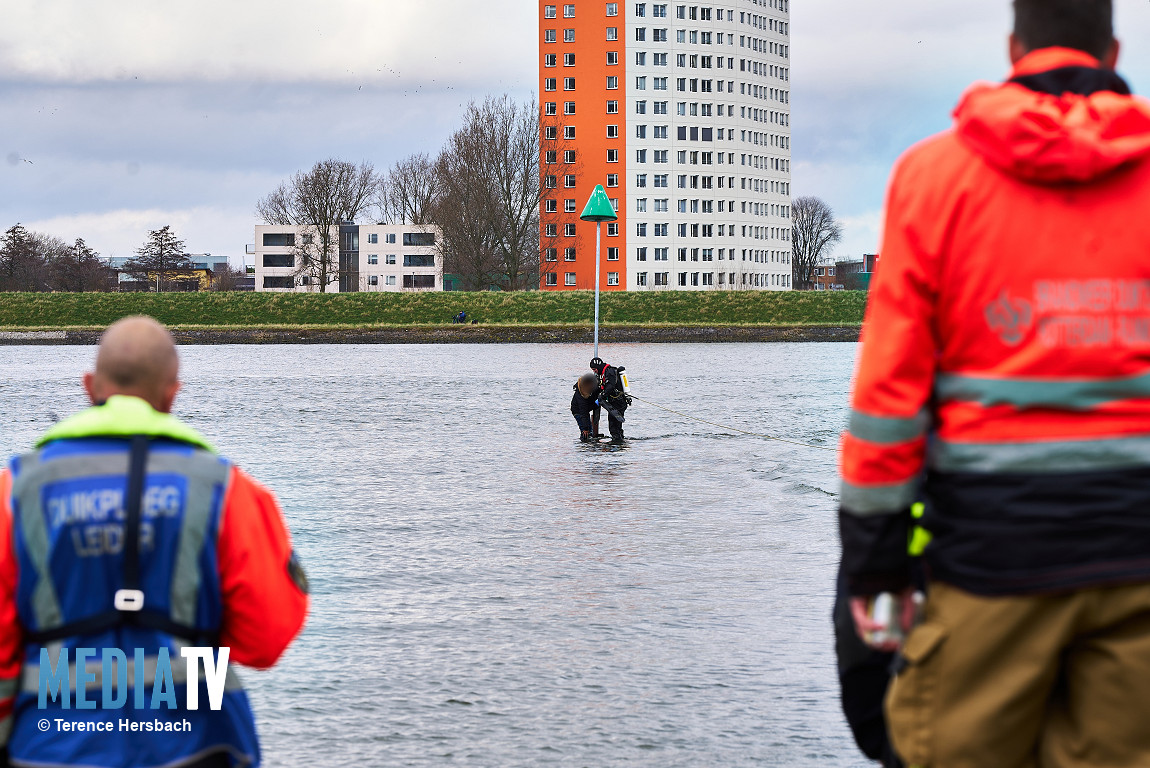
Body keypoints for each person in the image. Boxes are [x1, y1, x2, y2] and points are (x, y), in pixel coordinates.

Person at [839, 1, 1150, 765]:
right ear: (1113, 44)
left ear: (1015, 46)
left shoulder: (934, 177)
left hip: (988, 564)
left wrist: (876, 568)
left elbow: (887, 407)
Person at [0, 316, 309, 768]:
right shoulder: (228, 492)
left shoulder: (16, 493)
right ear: (172, 393)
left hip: (51, 746)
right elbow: (265, 639)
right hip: (199, 744)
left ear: (90, 387)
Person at [590, 357, 629, 440]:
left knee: (614, 427)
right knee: (616, 426)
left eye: (594, 369)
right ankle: (620, 442)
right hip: (615, 402)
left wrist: (602, 395)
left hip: (618, 402)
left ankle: (617, 444)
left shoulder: (609, 372)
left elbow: (610, 386)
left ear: (598, 367)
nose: (594, 371)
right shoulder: (605, 373)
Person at [571, 372, 601, 441]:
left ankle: (588, 440)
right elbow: (583, 412)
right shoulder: (581, 394)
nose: (591, 386)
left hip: (587, 408)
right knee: (586, 432)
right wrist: (585, 429)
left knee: (590, 430)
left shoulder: (594, 386)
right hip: (578, 411)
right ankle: (584, 443)